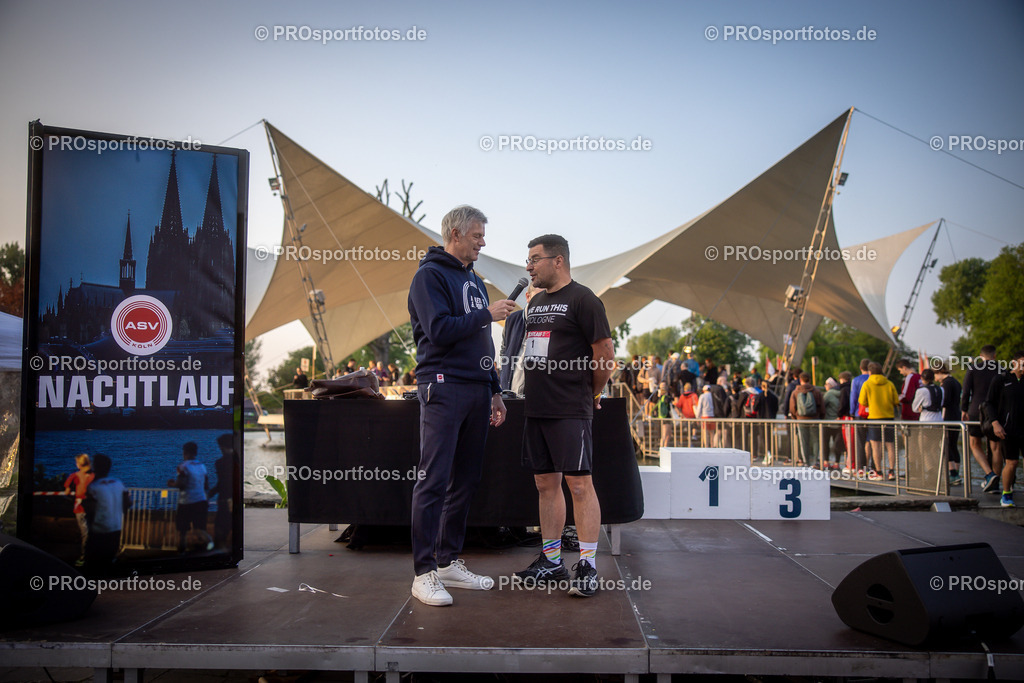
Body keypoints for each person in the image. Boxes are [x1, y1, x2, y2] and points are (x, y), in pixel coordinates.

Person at [406, 205, 513, 606]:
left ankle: (447, 560)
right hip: (441, 386)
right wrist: (486, 313)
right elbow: (438, 331)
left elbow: (483, 342)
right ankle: (423, 573)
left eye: (483, 235)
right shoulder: (428, 276)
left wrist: (495, 388)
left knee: (466, 480)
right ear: (455, 233)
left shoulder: (475, 280)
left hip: (476, 389)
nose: (483, 242)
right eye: (477, 235)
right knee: (433, 480)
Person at [514, 234, 615, 598]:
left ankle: (587, 565)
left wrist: (592, 392)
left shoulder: (585, 299)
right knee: (545, 484)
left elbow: (604, 353)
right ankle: (552, 560)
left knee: (579, 484)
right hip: (536, 406)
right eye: (527, 259)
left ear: (558, 261)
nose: (529, 266)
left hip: (571, 408)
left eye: (535, 259)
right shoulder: (536, 302)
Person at [985, 349, 1024, 508]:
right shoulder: (1001, 379)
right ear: (1014, 363)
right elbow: (989, 403)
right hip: (1008, 429)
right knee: (1012, 462)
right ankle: (1006, 494)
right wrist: (995, 423)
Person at [962, 345, 1003, 493]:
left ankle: (989, 474)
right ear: (994, 355)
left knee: (974, 444)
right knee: (996, 447)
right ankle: (996, 482)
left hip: (976, 410)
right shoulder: (1001, 369)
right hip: (995, 412)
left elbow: (966, 391)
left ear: (980, 356)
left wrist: (964, 409)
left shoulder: (973, 369)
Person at [82, 453, 131, 574]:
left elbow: (90, 509)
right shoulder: (118, 483)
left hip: (99, 530)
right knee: (109, 560)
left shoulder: (94, 486)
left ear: (95, 467)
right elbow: (128, 503)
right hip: (116, 528)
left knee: (92, 562)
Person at [859, 362, 900, 481]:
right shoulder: (889, 383)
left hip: (874, 417)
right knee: (890, 444)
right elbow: (896, 400)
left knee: (875, 446)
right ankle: (892, 471)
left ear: (870, 372)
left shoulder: (867, 384)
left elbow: (862, 401)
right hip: (888, 417)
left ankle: (879, 472)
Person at [168, 441, 209, 552]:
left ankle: (182, 550)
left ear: (184, 452)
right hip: (201, 500)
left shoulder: (183, 467)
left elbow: (181, 484)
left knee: (182, 530)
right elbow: (206, 485)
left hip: (186, 502)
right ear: (195, 452)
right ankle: (206, 548)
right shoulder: (202, 466)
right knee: (200, 529)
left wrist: (172, 484)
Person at [911, 368, 945, 488]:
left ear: (922, 379)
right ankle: (937, 472)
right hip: (939, 422)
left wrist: (922, 407)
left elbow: (914, 408)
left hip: (926, 422)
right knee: (934, 449)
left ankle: (931, 471)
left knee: (923, 448)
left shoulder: (922, 391)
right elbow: (941, 404)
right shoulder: (941, 389)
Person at [934, 363, 964, 485]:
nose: (935, 378)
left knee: (946, 444)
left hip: (949, 416)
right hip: (957, 414)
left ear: (939, 372)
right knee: (953, 444)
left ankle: (953, 474)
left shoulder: (946, 383)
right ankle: (956, 473)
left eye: (935, 375)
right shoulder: (955, 382)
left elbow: (945, 401)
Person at [63, 453, 94, 565]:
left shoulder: (75, 476)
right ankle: (86, 555)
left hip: (80, 508)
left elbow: (67, 491)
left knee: (85, 532)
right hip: (90, 508)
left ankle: (84, 556)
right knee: (88, 532)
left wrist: (73, 497)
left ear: (78, 464)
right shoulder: (93, 476)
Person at [789, 372, 824, 467]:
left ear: (800, 380)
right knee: (816, 440)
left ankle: (806, 461)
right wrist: (820, 417)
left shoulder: (796, 392)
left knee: (804, 441)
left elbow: (792, 408)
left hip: (801, 420)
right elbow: (822, 406)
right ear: (809, 380)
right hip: (814, 419)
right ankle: (816, 461)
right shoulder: (816, 391)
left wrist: (795, 418)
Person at [209, 433, 235, 548]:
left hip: (224, 500)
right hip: (231, 498)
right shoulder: (237, 460)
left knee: (220, 530)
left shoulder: (220, 463)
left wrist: (208, 495)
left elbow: (221, 483)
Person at [849, 359, 872, 474]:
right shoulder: (873, 379)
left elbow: (853, 397)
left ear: (860, 368)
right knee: (872, 441)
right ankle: (872, 467)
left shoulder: (856, 380)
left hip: (859, 413)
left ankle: (860, 468)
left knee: (860, 442)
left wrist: (852, 412)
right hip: (873, 414)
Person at [822, 377, 845, 469]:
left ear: (830, 385)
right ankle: (837, 463)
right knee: (838, 444)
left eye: (826, 384)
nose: (825, 386)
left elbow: (822, 406)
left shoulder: (828, 394)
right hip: (839, 422)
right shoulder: (842, 394)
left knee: (825, 443)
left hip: (828, 422)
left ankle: (826, 462)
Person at [649, 381, 674, 448]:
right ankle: (663, 449)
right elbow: (669, 402)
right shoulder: (665, 398)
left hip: (663, 418)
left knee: (666, 435)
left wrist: (653, 416)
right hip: (665, 418)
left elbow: (653, 409)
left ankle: (664, 448)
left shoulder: (660, 399)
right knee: (665, 435)